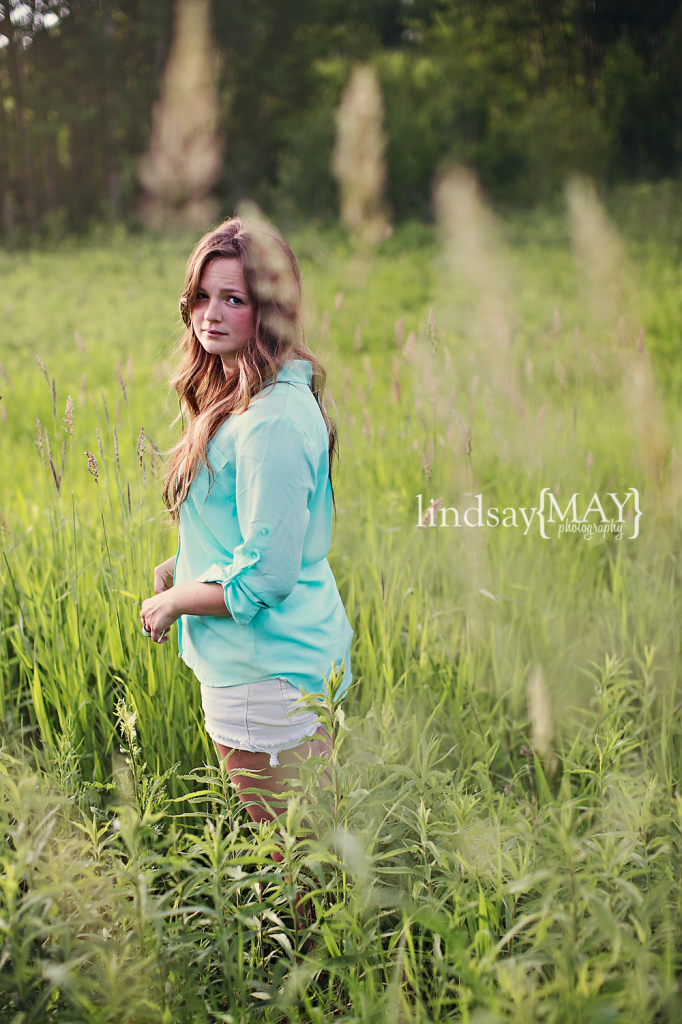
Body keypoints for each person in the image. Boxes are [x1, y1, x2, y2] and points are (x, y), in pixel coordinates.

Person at [140, 216, 353, 842]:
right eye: (202, 296)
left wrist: (177, 601)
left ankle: (317, 942)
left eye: (234, 299)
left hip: (265, 674)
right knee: (309, 844)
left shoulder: (272, 422)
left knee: (293, 851)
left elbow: (267, 574)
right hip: (278, 662)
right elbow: (251, 528)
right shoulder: (251, 396)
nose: (210, 313)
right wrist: (182, 565)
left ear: (270, 309)